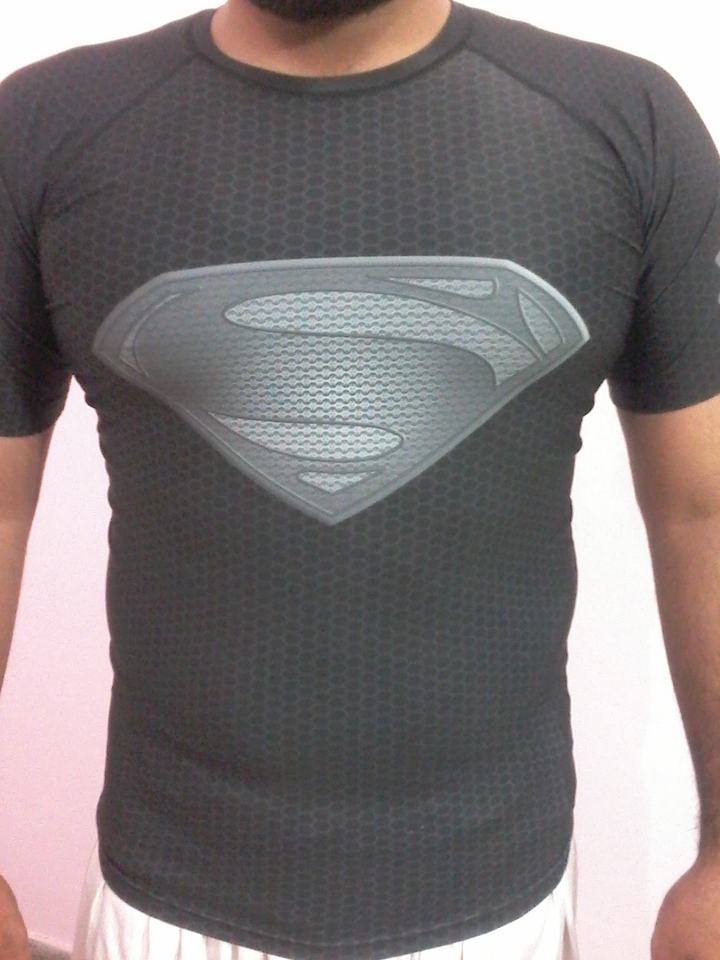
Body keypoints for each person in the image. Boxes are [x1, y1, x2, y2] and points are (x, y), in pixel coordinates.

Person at [1, 0, 719, 958]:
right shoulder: (46, 128)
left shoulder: (625, 123)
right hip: (165, 900)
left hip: (497, 906)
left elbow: (702, 511)